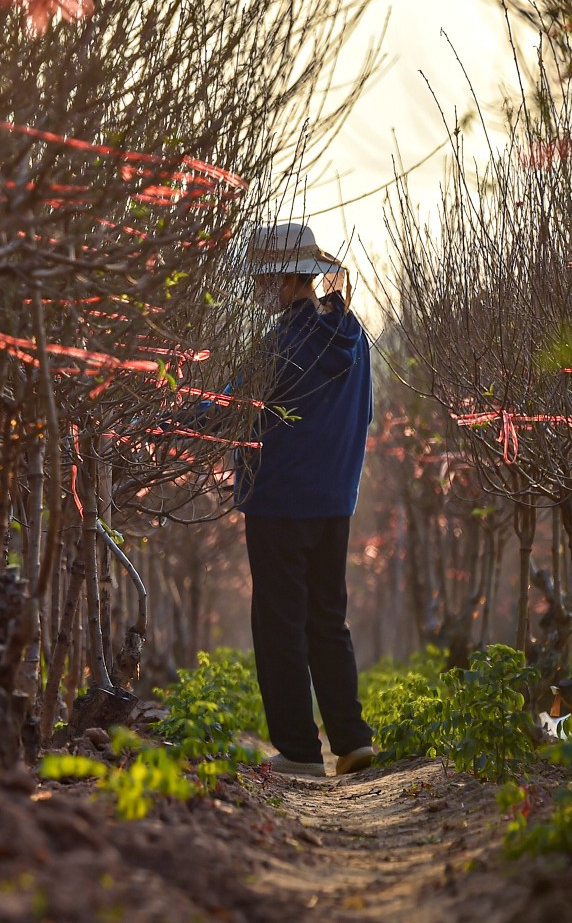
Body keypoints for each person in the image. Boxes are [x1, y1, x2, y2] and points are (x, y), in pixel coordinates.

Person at [236, 222, 376, 778]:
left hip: (278, 501)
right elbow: (363, 416)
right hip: (334, 501)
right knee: (327, 619)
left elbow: (226, 409)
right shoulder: (354, 336)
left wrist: (159, 420)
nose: (254, 292)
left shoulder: (279, 345)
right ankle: (351, 738)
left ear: (282, 279)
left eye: (260, 281)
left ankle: (297, 750)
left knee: (278, 624)